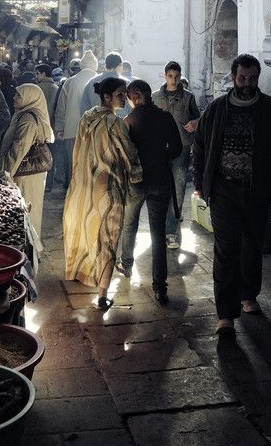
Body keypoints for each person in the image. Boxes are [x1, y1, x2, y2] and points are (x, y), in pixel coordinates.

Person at [193, 54, 271, 335]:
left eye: (252, 78)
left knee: (253, 244)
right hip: (223, 190)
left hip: (258, 190)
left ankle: (248, 295)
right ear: (233, 77)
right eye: (242, 78)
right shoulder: (216, 109)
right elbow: (200, 146)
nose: (247, 84)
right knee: (226, 249)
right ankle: (225, 314)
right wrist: (200, 182)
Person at [63, 77, 142, 310]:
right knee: (108, 238)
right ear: (107, 97)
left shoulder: (87, 118)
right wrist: (138, 176)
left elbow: (77, 153)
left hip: (84, 185)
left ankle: (80, 273)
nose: (124, 98)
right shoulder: (114, 123)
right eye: (120, 94)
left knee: (85, 231)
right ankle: (102, 293)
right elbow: (129, 155)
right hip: (108, 188)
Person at [118, 80, 182, 303]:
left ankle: (126, 265)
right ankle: (159, 286)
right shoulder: (165, 118)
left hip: (137, 182)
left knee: (130, 224)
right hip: (161, 180)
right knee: (157, 234)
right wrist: (161, 157)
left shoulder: (129, 121)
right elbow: (177, 149)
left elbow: (125, 154)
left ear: (133, 98)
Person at [152, 60, 200, 249]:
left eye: (177, 76)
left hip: (181, 148)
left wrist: (195, 123)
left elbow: (199, 116)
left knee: (178, 189)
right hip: (159, 149)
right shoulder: (155, 97)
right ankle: (159, 229)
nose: (173, 80)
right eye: (170, 76)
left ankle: (171, 231)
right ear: (165, 76)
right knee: (159, 189)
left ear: (180, 76)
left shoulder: (188, 97)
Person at [0, 84, 53, 238]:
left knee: (27, 210)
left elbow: (18, 150)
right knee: (30, 210)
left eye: (19, 95)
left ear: (30, 98)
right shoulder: (25, 114)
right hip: (30, 173)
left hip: (25, 174)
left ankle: (29, 248)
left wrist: (5, 174)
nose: (14, 97)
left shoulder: (28, 119)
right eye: (15, 94)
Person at [54, 50, 99, 189]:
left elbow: (61, 108)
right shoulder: (101, 81)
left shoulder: (70, 82)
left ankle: (71, 193)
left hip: (71, 131)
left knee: (72, 164)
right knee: (91, 164)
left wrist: (59, 128)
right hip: (94, 132)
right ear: (95, 66)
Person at [80, 51, 130, 117]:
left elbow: (83, 109)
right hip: (120, 124)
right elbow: (132, 108)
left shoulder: (92, 82)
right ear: (120, 65)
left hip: (96, 124)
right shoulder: (126, 83)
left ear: (106, 65)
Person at [36, 63, 59, 192]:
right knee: (50, 156)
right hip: (53, 129)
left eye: (37, 74)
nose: (37, 76)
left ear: (43, 74)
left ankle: (39, 181)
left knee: (38, 155)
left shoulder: (37, 88)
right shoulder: (56, 88)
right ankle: (49, 184)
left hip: (39, 128)